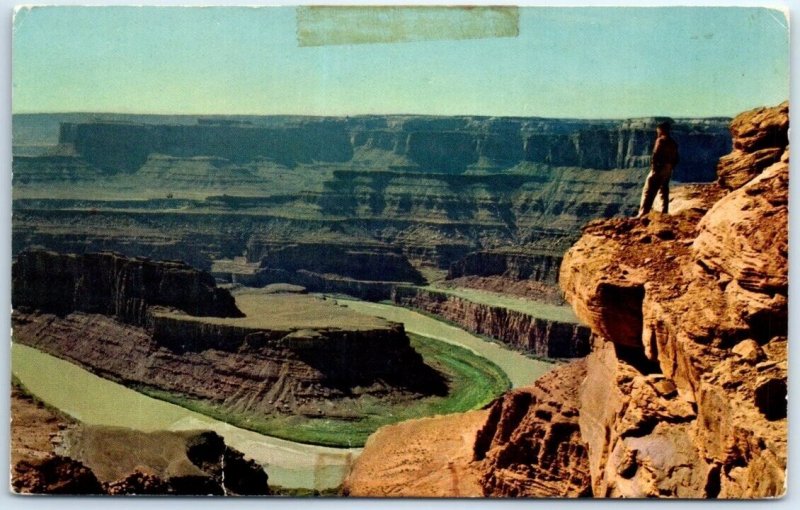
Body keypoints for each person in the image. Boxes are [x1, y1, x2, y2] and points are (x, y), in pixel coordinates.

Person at [637, 121, 679, 217]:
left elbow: (655, 154)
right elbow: (677, 158)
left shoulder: (660, 140)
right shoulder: (673, 143)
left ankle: (643, 213)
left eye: (658, 130)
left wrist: (655, 168)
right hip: (668, 169)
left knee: (648, 190)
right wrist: (670, 167)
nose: (657, 132)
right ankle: (664, 212)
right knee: (664, 190)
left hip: (659, 168)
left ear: (661, 129)